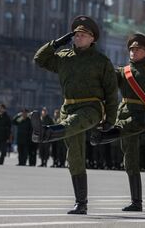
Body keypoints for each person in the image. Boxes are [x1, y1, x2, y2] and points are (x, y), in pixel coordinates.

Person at [32, 15, 118, 215]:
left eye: (83, 35)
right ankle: (81, 203)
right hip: (68, 107)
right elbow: (39, 59)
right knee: (75, 156)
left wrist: (110, 121)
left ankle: (45, 133)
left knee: (73, 123)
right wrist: (55, 44)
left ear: (92, 39)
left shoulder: (101, 61)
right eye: (76, 34)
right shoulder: (64, 57)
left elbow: (111, 93)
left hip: (92, 108)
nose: (78, 37)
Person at [90, 33, 145, 212]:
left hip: (143, 115)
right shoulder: (123, 71)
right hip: (125, 113)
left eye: (138, 49)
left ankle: (103, 136)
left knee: (122, 130)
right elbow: (108, 78)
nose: (133, 51)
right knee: (130, 159)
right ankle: (136, 201)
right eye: (131, 49)